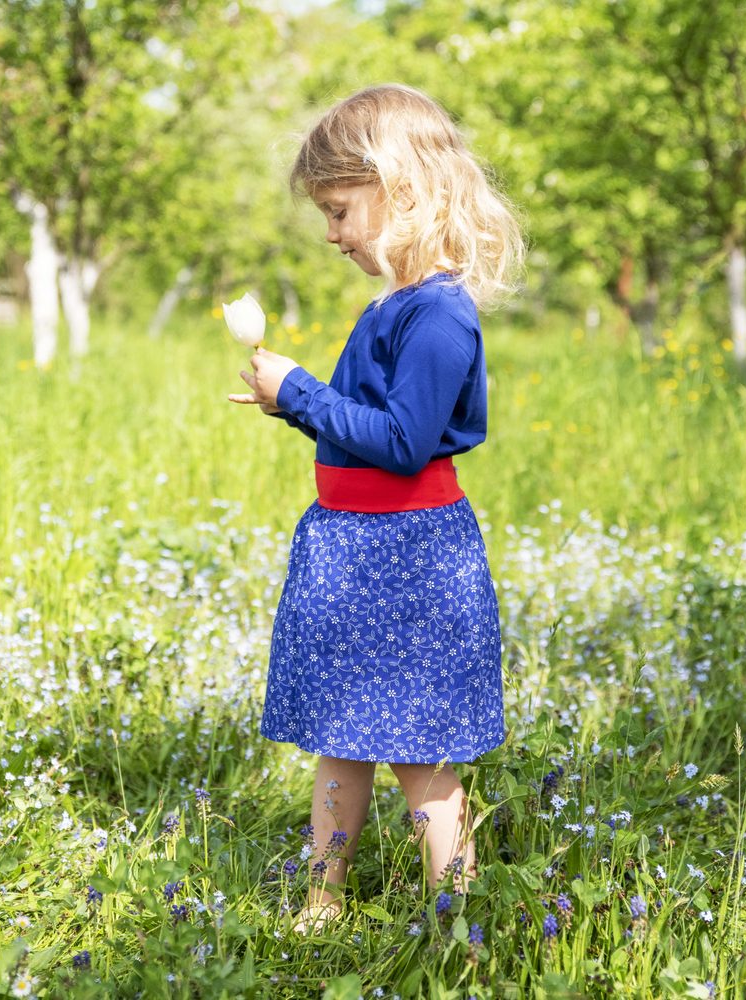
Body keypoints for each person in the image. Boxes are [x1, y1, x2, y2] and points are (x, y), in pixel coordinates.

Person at [227, 83, 523, 934]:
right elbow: (369, 433)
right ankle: (322, 901)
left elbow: (400, 441)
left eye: (338, 210)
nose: (331, 234)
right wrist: (296, 406)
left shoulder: (438, 313)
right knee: (340, 733)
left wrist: (306, 393)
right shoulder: (394, 303)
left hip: (406, 557)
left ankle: (455, 922)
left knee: (421, 755)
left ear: (402, 188)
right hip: (354, 548)